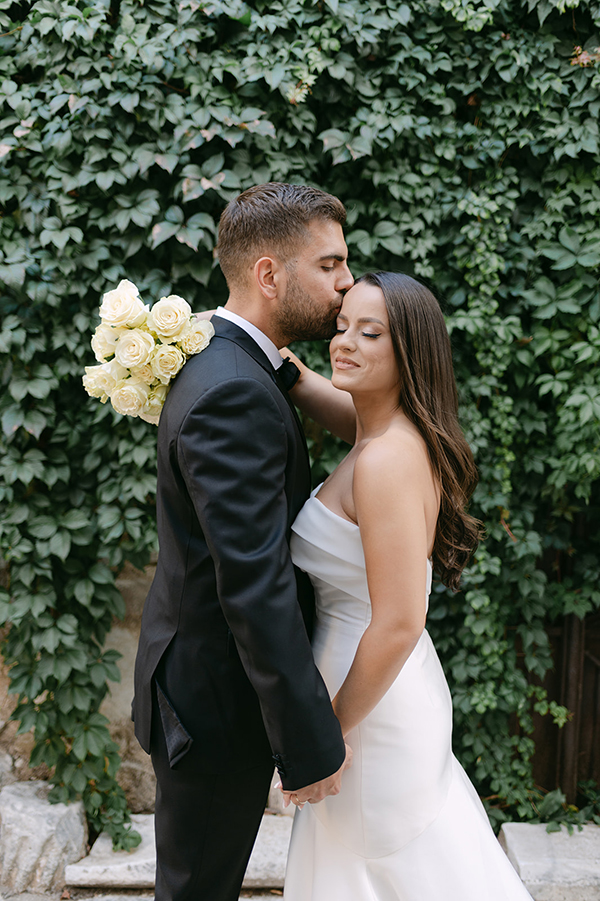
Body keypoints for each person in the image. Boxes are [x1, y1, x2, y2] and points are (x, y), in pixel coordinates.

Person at [280, 272, 534, 900]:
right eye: (342, 327)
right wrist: (280, 365)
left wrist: (327, 734)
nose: (345, 342)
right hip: (384, 695)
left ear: (410, 354)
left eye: (370, 333)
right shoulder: (385, 432)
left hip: (370, 710)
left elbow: (399, 621)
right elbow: (348, 414)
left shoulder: (387, 459)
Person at [132, 183, 353, 901]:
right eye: (330, 265)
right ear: (268, 274)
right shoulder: (233, 389)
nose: (346, 282)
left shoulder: (235, 364)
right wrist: (308, 742)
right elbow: (254, 585)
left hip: (199, 687)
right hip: (214, 707)